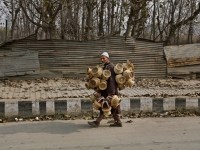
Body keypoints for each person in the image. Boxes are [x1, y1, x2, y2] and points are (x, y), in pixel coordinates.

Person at [88, 52, 122, 127]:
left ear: (107, 58)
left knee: (105, 105)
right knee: (113, 107)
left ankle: (97, 122)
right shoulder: (106, 66)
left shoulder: (110, 67)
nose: (102, 59)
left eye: (104, 58)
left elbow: (112, 81)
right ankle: (118, 122)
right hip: (107, 90)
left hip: (110, 90)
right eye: (101, 58)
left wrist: (111, 92)